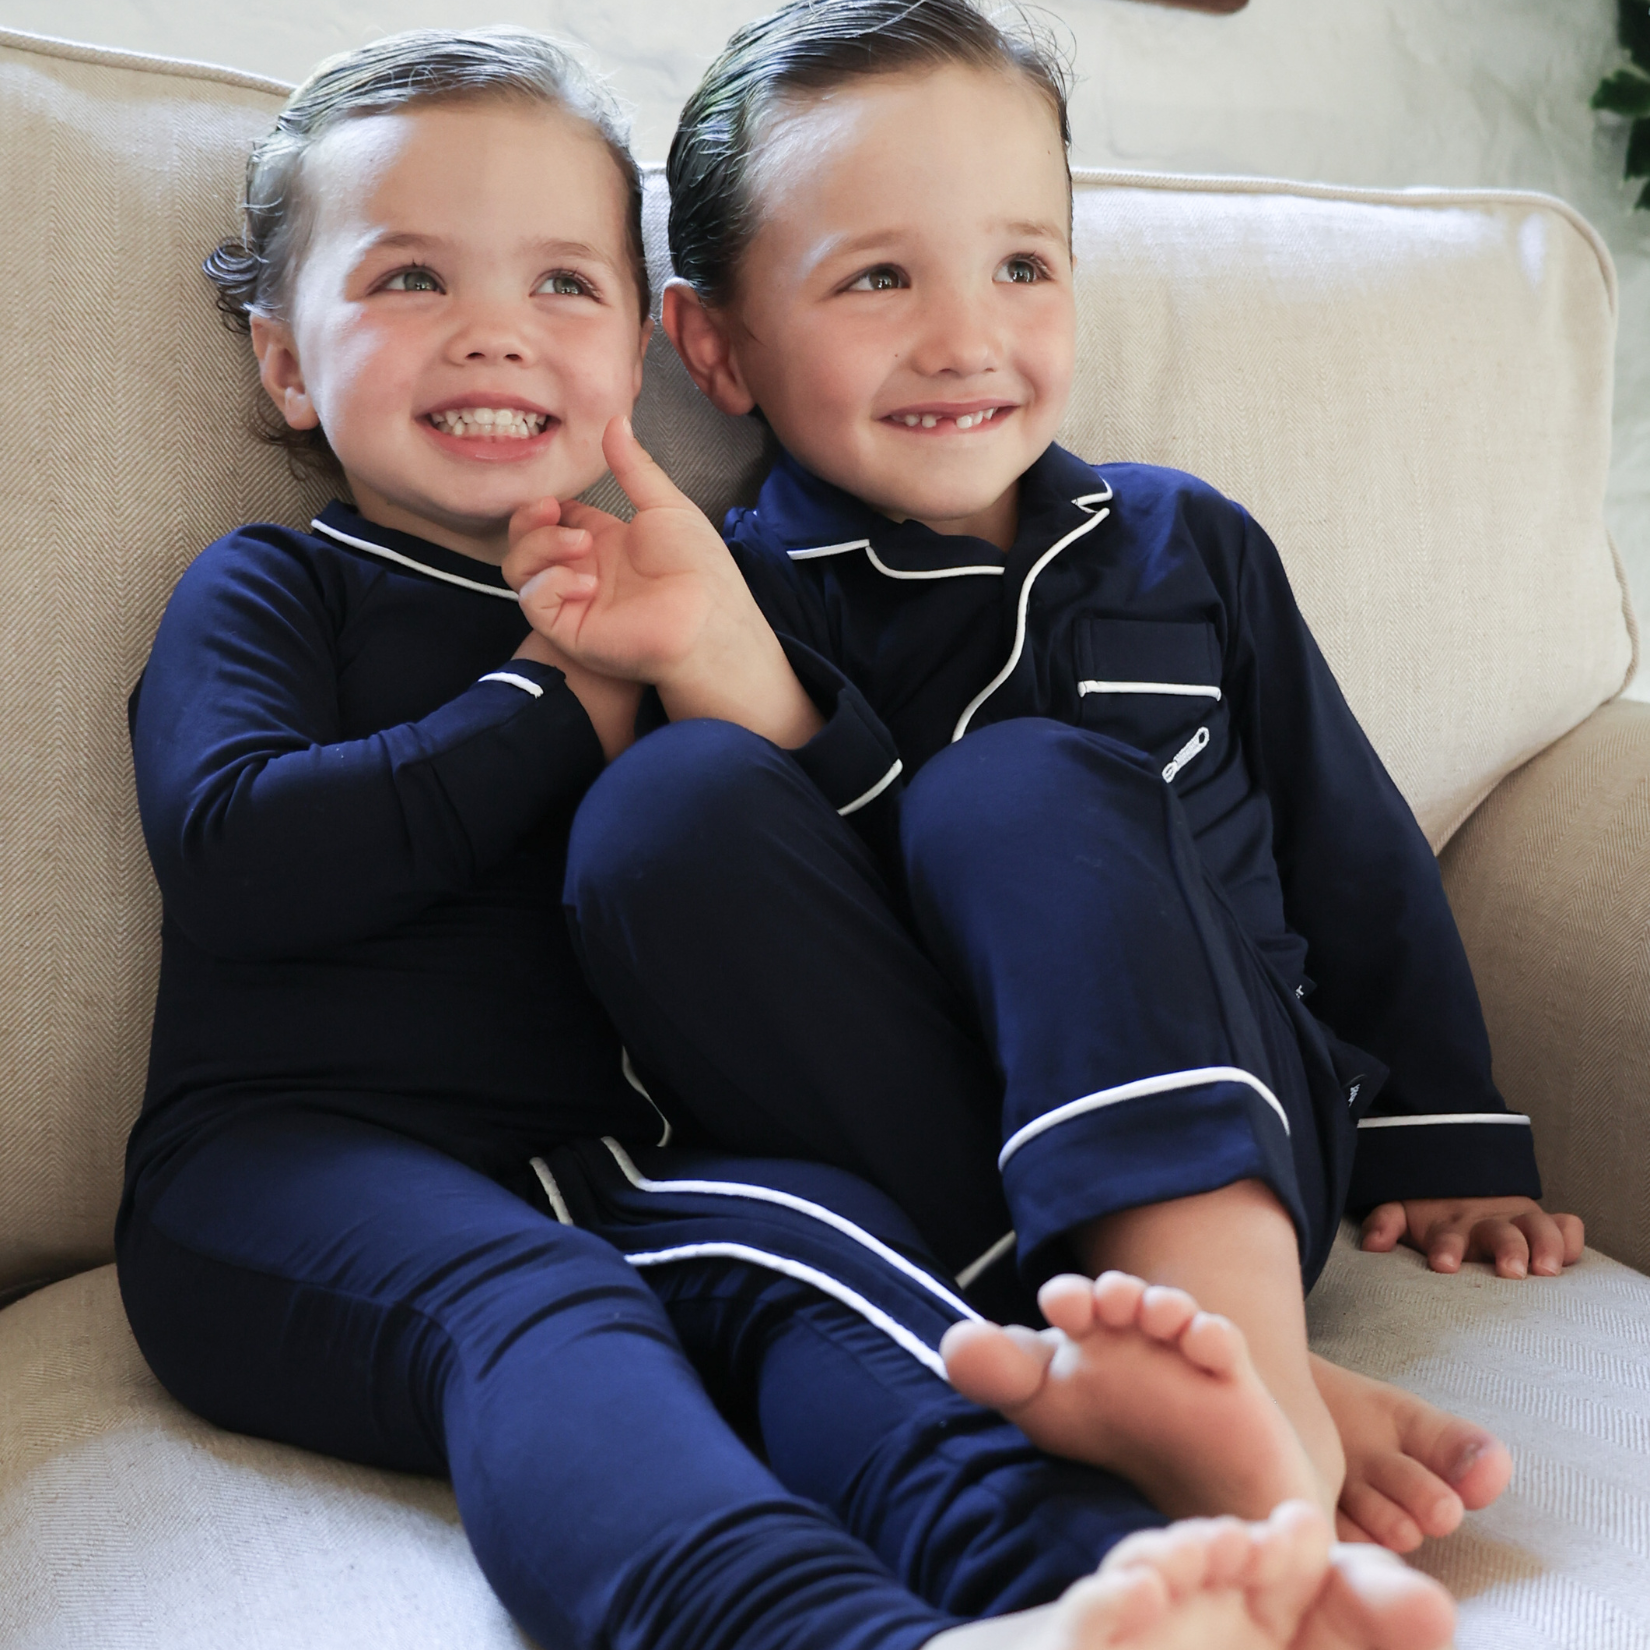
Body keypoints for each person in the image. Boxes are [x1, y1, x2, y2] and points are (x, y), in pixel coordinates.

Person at [115, 24, 1456, 1650]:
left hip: (607, 1171)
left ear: (638, 354)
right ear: (283, 363)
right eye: (410, 279)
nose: (494, 330)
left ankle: (1104, 1589)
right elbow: (240, 852)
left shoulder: (684, 599)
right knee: (541, 1312)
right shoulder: (277, 586)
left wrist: (693, 661)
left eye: (561, 284)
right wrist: (553, 697)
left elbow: (812, 913)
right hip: (284, 1167)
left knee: (841, 1267)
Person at [503, 0, 1586, 1569]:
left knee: (1017, 791)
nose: (965, 338)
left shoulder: (1182, 543)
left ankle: (1234, 1368)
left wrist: (1450, 1138)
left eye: (1021, 265)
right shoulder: (724, 597)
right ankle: (1200, 1385)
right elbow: (776, 954)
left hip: (1218, 1109)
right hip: (906, 1149)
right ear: (716, 347)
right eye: (879, 277)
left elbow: (1347, 845)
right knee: (657, 814)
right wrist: (728, 680)